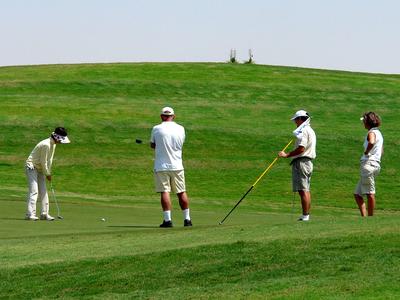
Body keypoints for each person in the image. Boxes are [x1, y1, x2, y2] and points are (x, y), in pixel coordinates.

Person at [150, 106, 192, 228]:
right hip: (177, 165)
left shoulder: (156, 129)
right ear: (173, 116)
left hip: (161, 166)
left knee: (165, 191)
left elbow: (153, 145)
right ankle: (187, 219)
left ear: (161, 116)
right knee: (181, 191)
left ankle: (167, 220)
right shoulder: (181, 129)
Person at [278, 110, 316, 221]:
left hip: (302, 162)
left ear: (300, 119)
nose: (295, 122)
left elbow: (301, 148)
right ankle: (306, 215)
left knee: (303, 190)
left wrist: (286, 155)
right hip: (308, 162)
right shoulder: (310, 130)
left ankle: (305, 216)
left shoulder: (304, 130)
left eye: (296, 120)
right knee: (306, 189)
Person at [25, 127, 70, 221]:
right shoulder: (46, 145)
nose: (61, 142)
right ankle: (30, 214)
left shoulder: (53, 144)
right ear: (57, 138)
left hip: (40, 168)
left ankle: (44, 214)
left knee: (44, 191)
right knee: (34, 191)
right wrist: (47, 174)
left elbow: (49, 161)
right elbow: (43, 161)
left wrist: (48, 172)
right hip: (32, 166)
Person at [354, 112, 384, 217]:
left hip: (368, 164)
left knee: (369, 193)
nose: (363, 123)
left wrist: (366, 152)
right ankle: (364, 217)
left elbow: (371, 142)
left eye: (364, 121)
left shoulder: (371, 132)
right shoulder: (379, 133)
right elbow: (381, 151)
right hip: (375, 164)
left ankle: (370, 218)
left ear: (368, 122)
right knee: (357, 194)